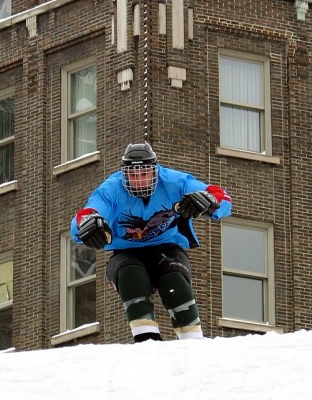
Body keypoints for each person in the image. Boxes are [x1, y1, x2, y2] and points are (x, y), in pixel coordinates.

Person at [71, 143, 232, 342]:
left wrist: (210, 201)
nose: (139, 181)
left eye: (144, 173)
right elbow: (88, 212)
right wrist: (87, 224)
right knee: (132, 276)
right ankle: (146, 340)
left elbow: (222, 197)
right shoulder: (112, 189)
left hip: (167, 248)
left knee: (175, 281)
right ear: (124, 174)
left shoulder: (174, 182)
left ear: (155, 171)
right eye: (132, 175)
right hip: (126, 253)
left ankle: (193, 341)